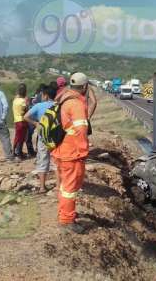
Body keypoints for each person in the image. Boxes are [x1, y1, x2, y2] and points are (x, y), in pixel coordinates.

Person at [51, 72, 92, 234]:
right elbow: (81, 129)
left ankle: (65, 213)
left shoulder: (63, 98)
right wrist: (83, 151)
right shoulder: (76, 104)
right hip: (72, 152)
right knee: (69, 188)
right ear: (85, 87)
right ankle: (67, 220)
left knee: (64, 187)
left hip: (62, 150)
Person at [23, 86, 56, 193]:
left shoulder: (39, 106)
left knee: (43, 158)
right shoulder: (58, 105)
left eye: (42, 95)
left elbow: (26, 116)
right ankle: (59, 186)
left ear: (45, 96)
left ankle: (42, 187)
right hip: (57, 136)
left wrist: (36, 123)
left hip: (43, 135)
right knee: (56, 160)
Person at [12, 83, 29, 159]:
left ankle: (15, 152)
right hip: (22, 121)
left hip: (16, 121)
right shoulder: (23, 101)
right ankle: (19, 154)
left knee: (17, 137)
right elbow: (26, 111)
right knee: (21, 138)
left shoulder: (15, 100)